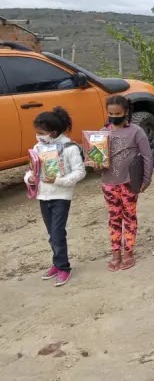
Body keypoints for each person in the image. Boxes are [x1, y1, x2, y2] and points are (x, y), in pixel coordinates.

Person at [25, 107, 86, 286]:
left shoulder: (70, 148)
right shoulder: (38, 147)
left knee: (58, 232)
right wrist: (29, 178)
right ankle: (57, 262)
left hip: (61, 196)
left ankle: (63, 267)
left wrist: (59, 180)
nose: (38, 136)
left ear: (52, 132)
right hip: (43, 196)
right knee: (52, 233)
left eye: (40, 133)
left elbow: (79, 172)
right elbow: (31, 168)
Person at [100, 96, 154, 271]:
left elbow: (147, 156)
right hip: (108, 183)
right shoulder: (102, 133)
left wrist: (146, 179)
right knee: (114, 218)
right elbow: (96, 159)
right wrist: (94, 164)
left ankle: (129, 251)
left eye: (118, 113)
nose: (114, 116)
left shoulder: (136, 131)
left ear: (126, 112)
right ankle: (116, 253)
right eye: (110, 113)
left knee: (129, 217)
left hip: (129, 182)